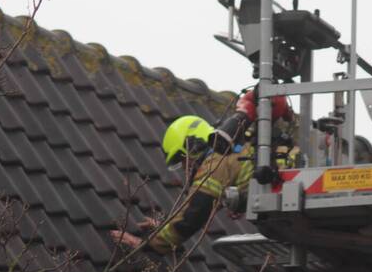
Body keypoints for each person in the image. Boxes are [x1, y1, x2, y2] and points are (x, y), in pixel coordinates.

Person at [110, 91, 291, 254]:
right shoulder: (236, 154)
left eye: (182, 160)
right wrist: (163, 228)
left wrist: (148, 244)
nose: (185, 168)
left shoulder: (216, 160)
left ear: (192, 146)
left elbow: (195, 213)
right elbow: (188, 212)